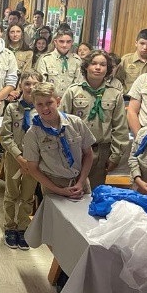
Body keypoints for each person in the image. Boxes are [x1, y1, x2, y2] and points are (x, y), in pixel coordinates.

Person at [60, 50, 129, 188]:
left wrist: (115, 155)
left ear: (108, 69)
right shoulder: (73, 91)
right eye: (94, 64)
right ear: (86, 66)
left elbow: (120, 127)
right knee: (71, 190)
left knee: (95, 191)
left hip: (101, 152)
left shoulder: (115, 94)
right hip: (75, 150)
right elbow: (61, 123)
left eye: (103, 65)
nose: (98, 67)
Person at [23, 82, 95, 199]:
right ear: (34, 106)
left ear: (58, 101)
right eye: (40, 104)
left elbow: (88, 154)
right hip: (53, 186)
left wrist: (81, 182)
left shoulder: (76, 123)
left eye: (49, 103)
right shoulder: (33, 134)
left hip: (80, 182)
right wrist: (59, 190)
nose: (45, 108)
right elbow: (33, 168)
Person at [0, 70, 42, 250]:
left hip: (34, 161)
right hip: (14, 157)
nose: (31, 87)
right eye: (27, 84)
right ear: (21, 85)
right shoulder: (11, 108)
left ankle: (23, 227)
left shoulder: (42, 110)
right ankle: (10, 227)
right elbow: (5, 137)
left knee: (28, 195)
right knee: (11, 193)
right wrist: (18, 156)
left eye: (35, 84)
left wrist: (32, 159)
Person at [35, 28, 83, 98]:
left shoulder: (77, 61)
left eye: (68, 42)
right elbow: (41, 84)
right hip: (49, 99)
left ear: (72, 42)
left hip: (70, 99)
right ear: (55, 42)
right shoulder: (45, 59)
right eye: (61, 41)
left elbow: (78, 84)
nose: (64, 45)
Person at [115, 29, 147, 95]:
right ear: (136, 43)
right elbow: (116, 81)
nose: (145, 47)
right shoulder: (126, 60)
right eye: (142, 43)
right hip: (127, 98)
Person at [5, 24, 33, 101]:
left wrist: (16, 91)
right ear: (8, 34)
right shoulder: (2, 50)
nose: (15, 35)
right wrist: (6, 92)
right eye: (12, 32)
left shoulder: (28, 52)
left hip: (18, 90)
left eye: (18, 32)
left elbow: (25, 74)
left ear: (22, 34)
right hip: (1, 89)